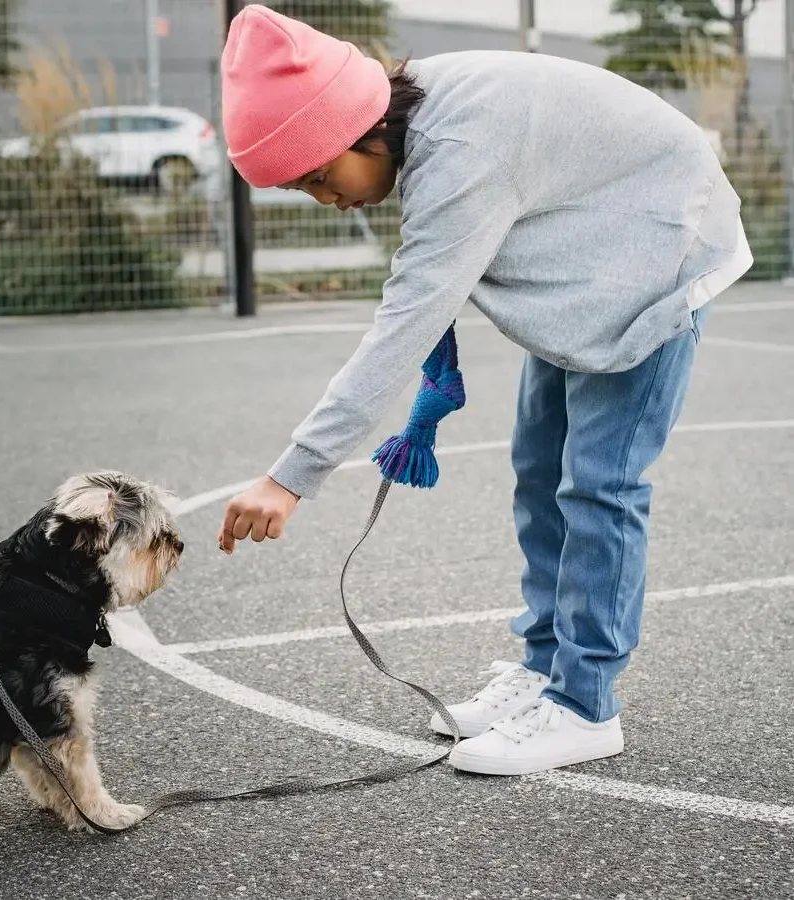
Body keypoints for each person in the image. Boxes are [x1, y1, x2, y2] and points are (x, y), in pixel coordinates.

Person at [216, 6, 753, 776]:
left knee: (601, 488)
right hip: (589, 257)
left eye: (319, 176)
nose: (324, 199)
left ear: (358, 131)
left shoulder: (461, 149)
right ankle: (543, 673)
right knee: (540, 475)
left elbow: (407, 321)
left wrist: (290, 476)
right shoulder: (412, 112)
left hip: (657, 258)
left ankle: (586, 705)